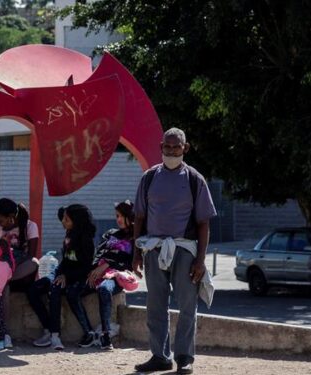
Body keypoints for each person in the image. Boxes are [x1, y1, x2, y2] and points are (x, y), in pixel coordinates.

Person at [132, 127, 217, 375]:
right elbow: (139, 216)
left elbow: (204, 223)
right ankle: (160, 356)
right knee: (155, 305)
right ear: (161, 147)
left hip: (185, 249)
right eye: (167, 147)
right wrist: (136, 253)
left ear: (185, 148)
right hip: (154, 248)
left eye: (176, 147)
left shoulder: (194, 179)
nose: (171, 151)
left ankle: (184, 358)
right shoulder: (149, 178)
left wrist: (200, 260)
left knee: (187, 305)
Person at [27, 204, 96, 350]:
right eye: (63, 218)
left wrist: (67, 276)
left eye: (67, 219)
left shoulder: (85, 240)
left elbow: (85, 267)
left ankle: (55, 336)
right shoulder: (69, 234)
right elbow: (65, 260)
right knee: (34, 289)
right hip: (63, 273)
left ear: (76, 221)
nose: (63, 222)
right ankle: (48, 329)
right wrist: (59, 273)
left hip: (76, 278)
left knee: (55, 288)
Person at [85, 200, 136, 350]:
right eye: (116, 216)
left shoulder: (135, 238)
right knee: (72, 291)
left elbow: (129, 262)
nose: (118, 219)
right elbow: (99, 253)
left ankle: (105, 335)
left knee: (104, 289)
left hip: (117, 276)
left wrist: (108, 263)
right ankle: (88, 333)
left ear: (130, 216)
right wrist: (94, 269)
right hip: (97, 273)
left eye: (121, 216)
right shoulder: (110, 234)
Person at [0, 198, 41, 347]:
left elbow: (31, 255)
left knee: (34, 263)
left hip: (21, 272)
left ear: (11, 216)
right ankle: (4, 334)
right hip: (5, 274)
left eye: (1, 220)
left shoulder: (30, 227)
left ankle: (4, 278)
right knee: (3, 286)